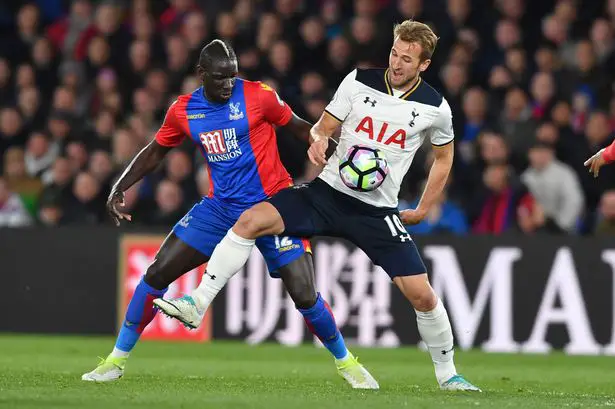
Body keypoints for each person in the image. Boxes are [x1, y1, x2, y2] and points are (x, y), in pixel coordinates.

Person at [157, 21, 481, 392]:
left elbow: (443, 157)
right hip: (327, 194)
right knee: (250, 220)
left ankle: (448, 375)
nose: (396, 63)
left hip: (376, 211)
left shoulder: (435, 108)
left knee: (422, 294)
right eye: (394, 53)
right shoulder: (358, 81)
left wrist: (423, 208)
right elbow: (323, 127)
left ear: (424, 64)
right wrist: (319, 140)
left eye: (407, 59)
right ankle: (198, 303)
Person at [82, 40, 377, 389]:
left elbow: (299, 125)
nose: (228, 84)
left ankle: (347, 363)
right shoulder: (184, 110)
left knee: (304, 293)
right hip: (220, 208)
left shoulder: (259, 96)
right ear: (201, 74)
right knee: (157, 272)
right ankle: (115, 361)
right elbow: (156, 150)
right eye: (220, 77)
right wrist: (121, 184)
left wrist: (331, 149)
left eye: (232, 77)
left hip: (276, 205)